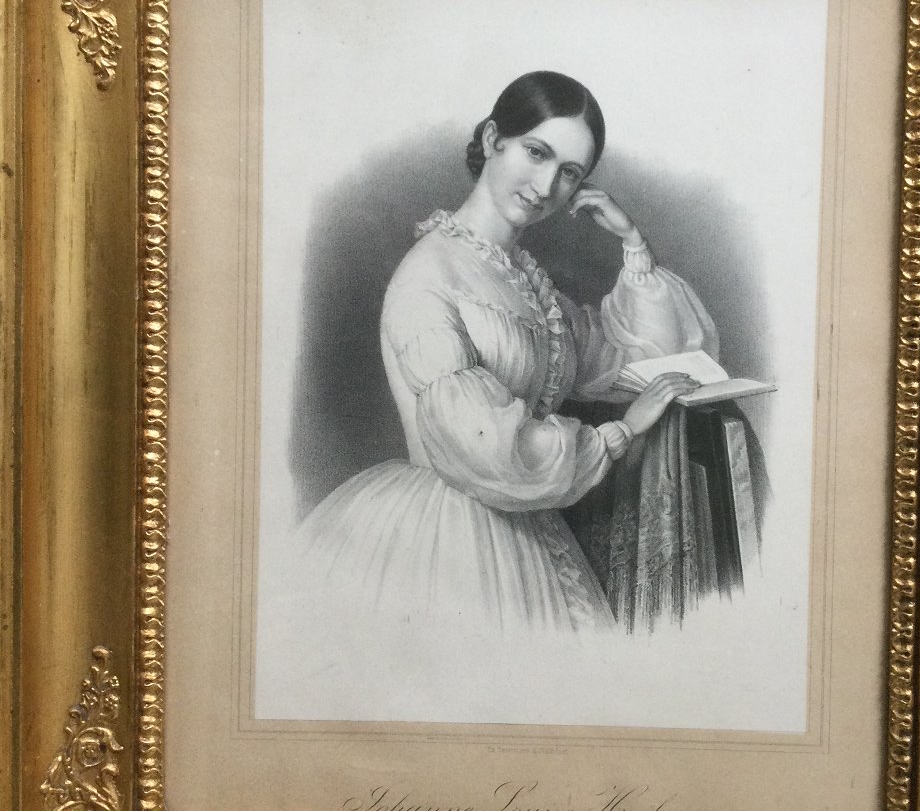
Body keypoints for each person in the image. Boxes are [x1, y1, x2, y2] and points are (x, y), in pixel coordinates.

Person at [274, 70, 719, 638]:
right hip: (447, 540)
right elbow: (488, 450)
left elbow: (637, 356)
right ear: (492, 139)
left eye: (570, 172)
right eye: (537, 152)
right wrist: (622, 432)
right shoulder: (429, 276)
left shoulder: (526, 284)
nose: (546, 186)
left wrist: (633, 243)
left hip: (528, 532)